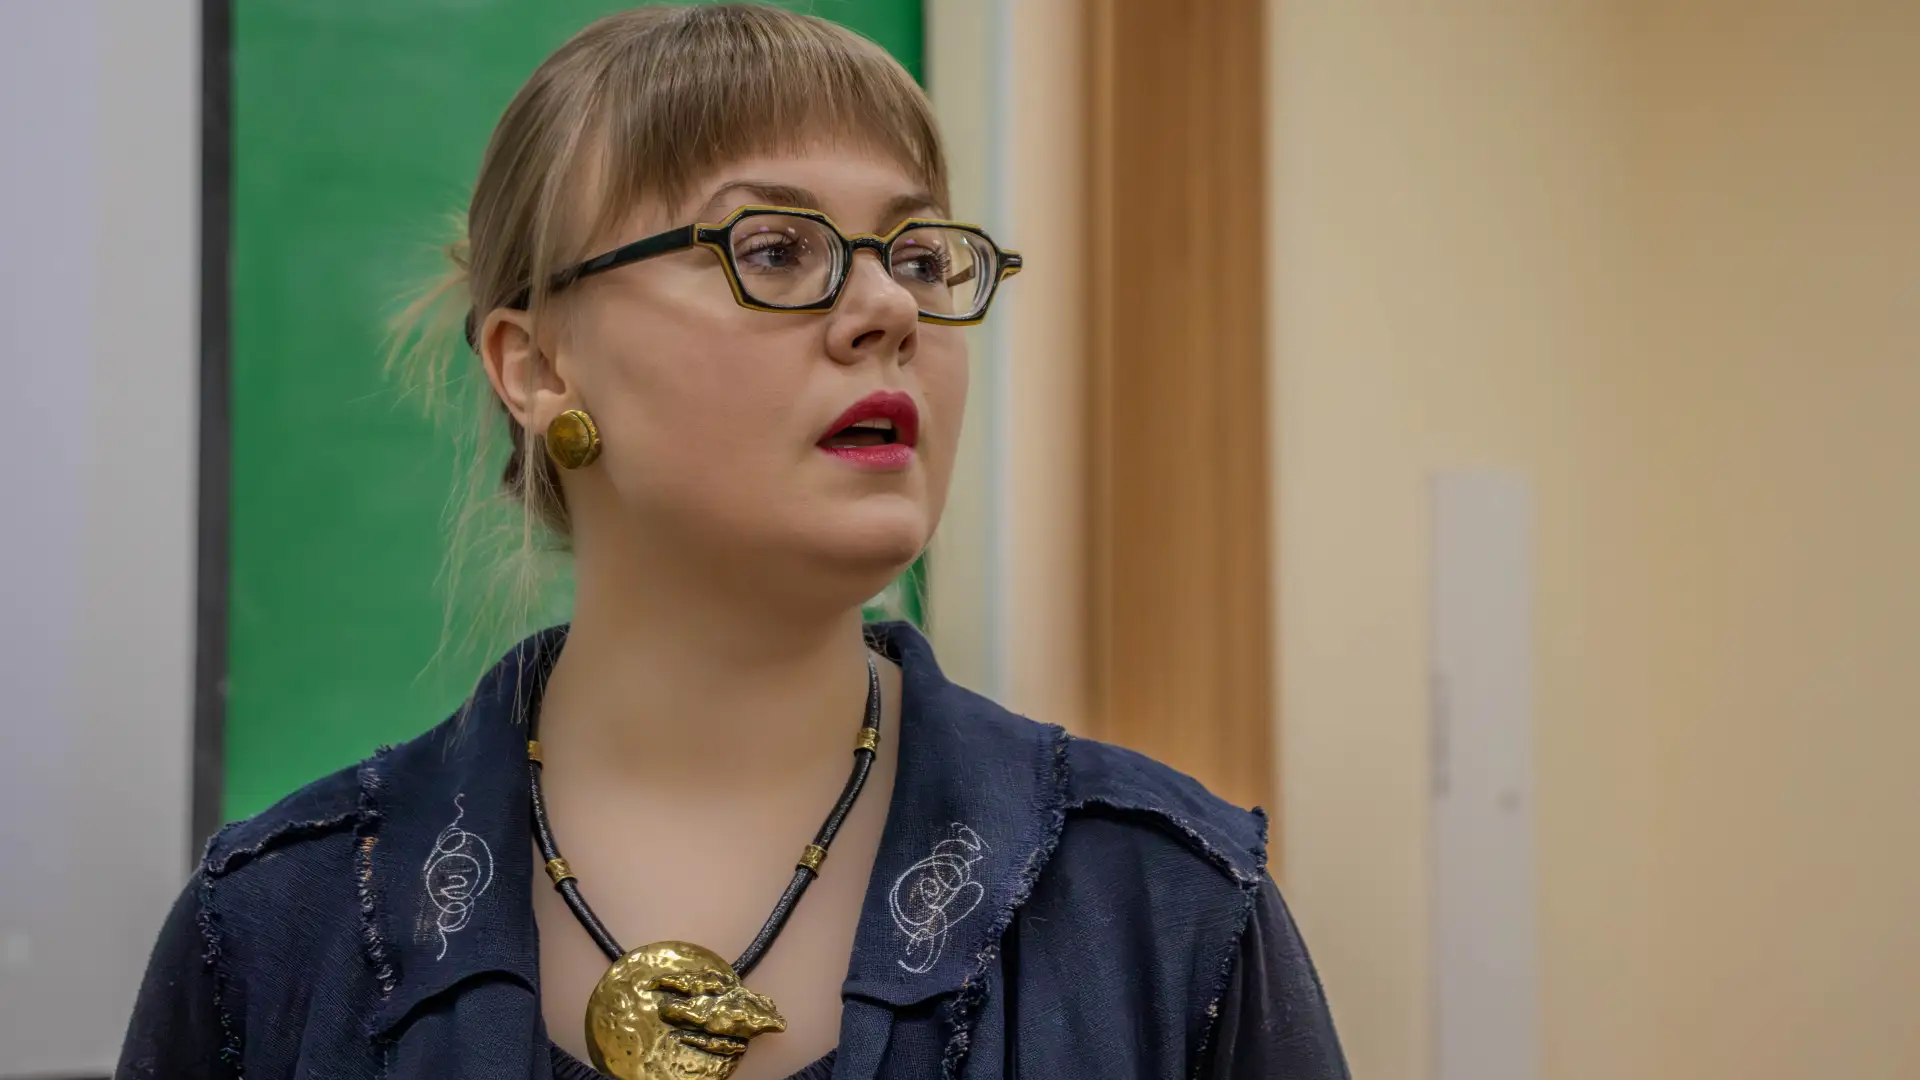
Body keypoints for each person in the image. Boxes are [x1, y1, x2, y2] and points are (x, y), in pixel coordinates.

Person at [118, 6, 1347, 1079]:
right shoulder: (276, 929)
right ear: (537, 366)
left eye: (921, 257)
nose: (888, 309)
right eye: (773, 250)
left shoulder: (1168, 907)